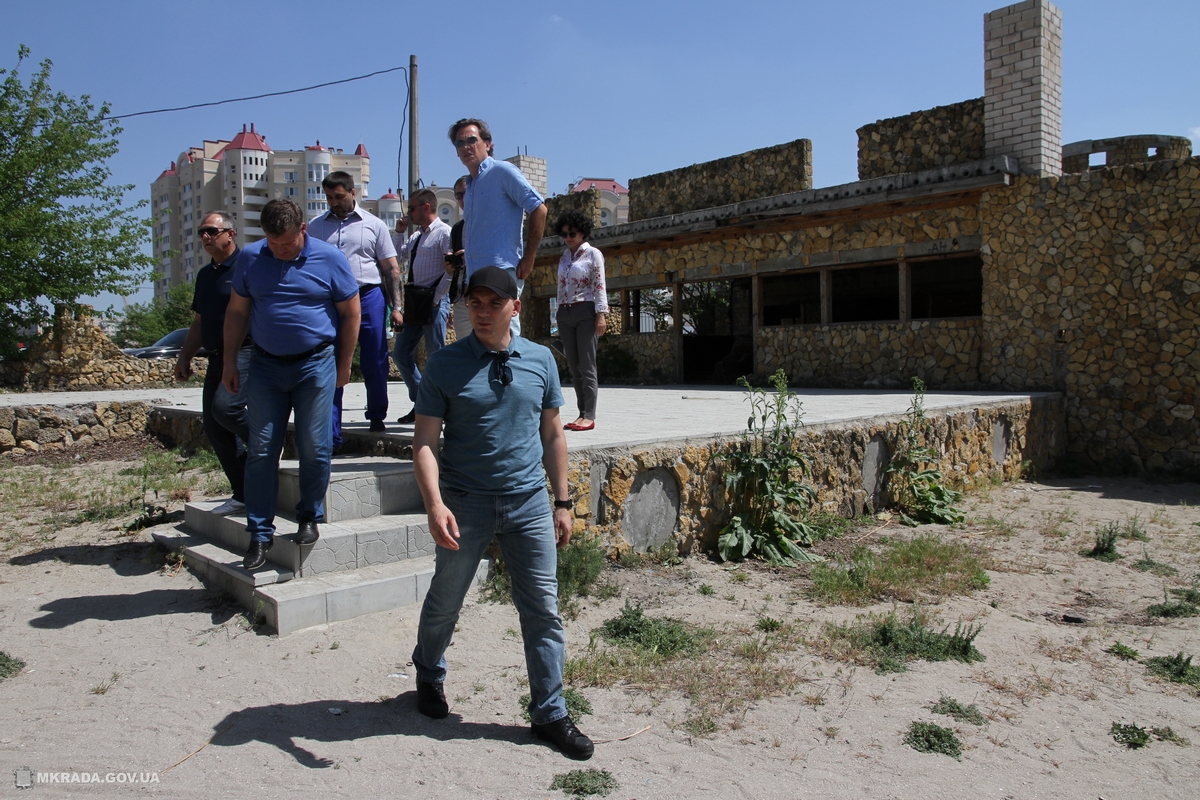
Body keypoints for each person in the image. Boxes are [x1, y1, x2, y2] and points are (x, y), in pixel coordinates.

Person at [409, 266, 593, 761]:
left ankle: (550, 713)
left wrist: (562, 502)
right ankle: (428, 673)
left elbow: (552, 434)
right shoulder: (444, 364)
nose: (483, 312)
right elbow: (424, 442)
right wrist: (434, 504)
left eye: (494, 303)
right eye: (475, 303)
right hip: (464, 503)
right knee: (446, 600)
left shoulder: (541, 360)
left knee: (542, 610)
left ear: (516, 307)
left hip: (528, 502)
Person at [222, 199, 361, 570]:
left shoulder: (330, 259)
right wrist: (230, 361)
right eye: (273, 244)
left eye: (286, 243)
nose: (280, 251)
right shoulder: (251, 258)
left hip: (315, 364)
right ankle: (259, 533)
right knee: (262, 449)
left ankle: (309, 515)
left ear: (303, 229)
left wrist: (344, 363)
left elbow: (351, 313)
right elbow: (237, 311)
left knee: (314, 445)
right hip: (265, 366)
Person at [307, 171, 400, 440]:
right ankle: (332, 432)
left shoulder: (374, 225)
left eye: (339, 197)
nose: (334, 203)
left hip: (367, 295)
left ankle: (377, 415)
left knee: (375, 358)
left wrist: (397, 307)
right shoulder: (315, 227)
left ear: (352, 193)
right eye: (329, 198)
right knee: (330, 359)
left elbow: (391, 269)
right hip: (330, 300)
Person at [174, 211, 253, 514]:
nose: (205, 237)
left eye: (211, 231)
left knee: (226, 409)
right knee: (213, 426)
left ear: (230, 234)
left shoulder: (248, 266)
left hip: (246, 351)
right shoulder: (206, 275)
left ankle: (267, 440)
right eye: (201, 232)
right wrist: (185, 355)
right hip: (217, 356)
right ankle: (243, 492)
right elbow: (199, 321)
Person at [449, 118, 547, 337]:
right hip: (476, 277)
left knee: (505, 338)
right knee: (479, 342)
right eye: (459, 143)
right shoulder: (470, 186)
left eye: (471, 140)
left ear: (487, 144)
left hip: (502, 271)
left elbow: (539, 209)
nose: (465, 146)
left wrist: (529, 257)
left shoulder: (502, 172)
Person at [392, 189, 452, 425]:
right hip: (416, 301)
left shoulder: (444, 233)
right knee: (400, 354)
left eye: (412, 208)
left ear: (426, 207)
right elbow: (397, 258)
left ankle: (439, 408)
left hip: (434, 301)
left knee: (436, 356)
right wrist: (399, 232)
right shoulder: (416, 236)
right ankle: (422, 402)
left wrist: (437, 297)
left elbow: (452, 269)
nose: (409, 213)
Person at [553, 210, 608, 432]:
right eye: (564, 233)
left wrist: (601, 313)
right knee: (574, 366)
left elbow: (599, 284)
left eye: (572, 233)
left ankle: (589, 415)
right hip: (564, 312)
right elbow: (560, 287)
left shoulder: (593, 254)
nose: (568, 237)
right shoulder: (564, 257)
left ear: (582, 232)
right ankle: (580, 412)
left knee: (587, 365)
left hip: (585, 310)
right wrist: (557, 314)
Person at [446, 175, 470, 337]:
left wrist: (471, 256)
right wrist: (451, 263)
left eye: (465, 193)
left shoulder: (489, 222)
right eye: (458, 195)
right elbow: (450, 271)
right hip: (462, 296)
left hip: (486, 293)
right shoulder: (457, 228)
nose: (462, 199)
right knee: (465, 347)